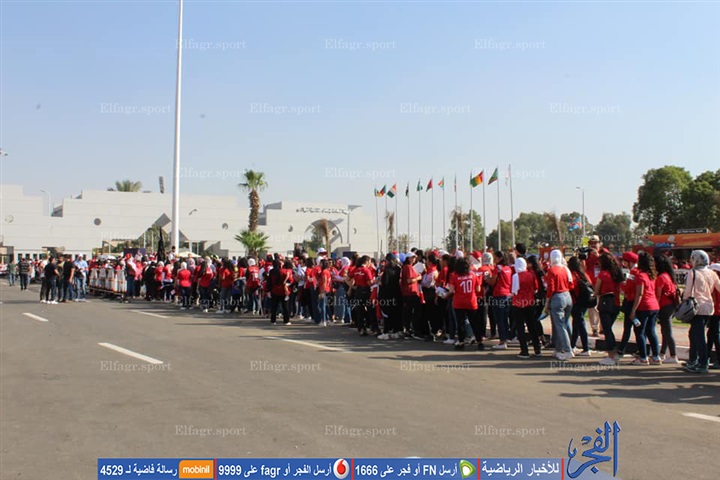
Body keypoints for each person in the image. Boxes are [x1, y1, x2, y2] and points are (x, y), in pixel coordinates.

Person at [682, 250, 720, 374]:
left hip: (697, 307)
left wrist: (684, 302)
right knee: (695, 334)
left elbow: (688, 291)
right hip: (709, 307)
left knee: (698, 336)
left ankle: (702, 363)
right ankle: (695, 360)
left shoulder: (693, 272)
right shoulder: (712, 273)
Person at [628, 252, 661, 366]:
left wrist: (633, 310)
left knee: (640, 332)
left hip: (644, 306)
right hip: (654, 305)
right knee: (651, 331)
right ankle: (656, 356)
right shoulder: (652, 275)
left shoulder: (641, 275)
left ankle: (643, 357)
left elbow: (640, 293)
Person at [542, 249, 574, 360]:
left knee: (559, 325)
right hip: (567, 296)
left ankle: (567, 350)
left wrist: (547, 302)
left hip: (557, 297)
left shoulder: (551, 270)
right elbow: (571, 284)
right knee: (563, 324)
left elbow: (550, 288)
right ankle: (560, 348)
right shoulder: (565, 269)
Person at [595, 253, 624, 366]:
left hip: (605, 303)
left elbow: (597, 290)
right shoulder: (617, 273)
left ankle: (611, 355)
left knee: (607, 330)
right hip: (616, 303)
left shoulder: (603, 274)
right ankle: (614, 352)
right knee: (609, 329)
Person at [447, 257, 482, 348]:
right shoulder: (473, 274)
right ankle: (479, 341)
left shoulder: (454, 275)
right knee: (474, 322)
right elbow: (478, 289)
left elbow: (451, 290)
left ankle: (461, 342)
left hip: (459, 302)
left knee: (460, 323)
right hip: (471, 301)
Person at [511, 257, 540, 358]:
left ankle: (524, 350)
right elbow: (536, 289)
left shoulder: (516, 276)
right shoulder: (531, 274)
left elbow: (514, 291)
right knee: (532, 326)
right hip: (530, 302)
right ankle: (537, 349)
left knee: (520, 328)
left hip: (518, 303)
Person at [655, 254, 679, 364]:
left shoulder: (661, 277)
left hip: (664, 306)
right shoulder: (669, 276)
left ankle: (673, 355)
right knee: (665, 331)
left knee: (667, 332)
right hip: (671, 305)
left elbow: (658, 295)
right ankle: (663, 352)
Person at [488, 250, 513, 349]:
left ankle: (502, 342)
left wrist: (487, 279)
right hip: (508, 294)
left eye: (495, 257)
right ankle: (505, 338)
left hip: (499, 294)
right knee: (505, 318)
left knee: (499, 319)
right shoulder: (508, 268)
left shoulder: (498, 268)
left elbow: (492, 282)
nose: (494, 259)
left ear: (500, 258)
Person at [567, 256, 592, 356]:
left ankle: (586, 348)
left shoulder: (572, 275)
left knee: (580, 324)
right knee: (577, 324)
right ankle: (573, 345)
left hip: (576, 302)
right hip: (585, 301)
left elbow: (570, 287)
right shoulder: (584, 274)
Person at [378, 253, 403, 340]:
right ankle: (395, 332)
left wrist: (380, 282)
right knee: (395, 314)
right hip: (397, 293)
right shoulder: (398, 269)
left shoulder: (387, 270)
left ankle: (386, 332)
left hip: (387, 294)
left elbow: (385, 283)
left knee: (386, 314)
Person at [267, 259, 292, 325]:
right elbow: (289, 280)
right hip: (283, 290)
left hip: (274, 290)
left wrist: (268, 290)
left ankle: (273, 320)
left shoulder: (271, 271)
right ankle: (286, 320)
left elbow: (269, 281)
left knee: (274, 306)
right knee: (285, 306)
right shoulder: (284, 271)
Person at [708, 263, 720, 369]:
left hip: (716, 311)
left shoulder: (715, 283)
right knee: (711, 334)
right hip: (716, 311)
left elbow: (714, 300)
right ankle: (706, 357)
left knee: (715, 335)